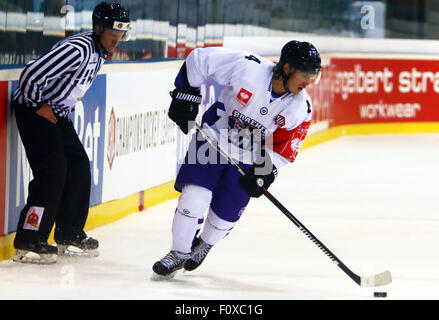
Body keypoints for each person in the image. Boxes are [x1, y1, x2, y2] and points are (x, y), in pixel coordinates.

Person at [152, 40, 321, 279]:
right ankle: (178, 253)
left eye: (313, 76)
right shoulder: (248, 67)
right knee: (194, 197)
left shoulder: (300, 108)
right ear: (287, 68)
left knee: (223, 219)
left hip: (249, 156)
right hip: (213, 139)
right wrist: (185, 95)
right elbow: (199, 59)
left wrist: (264, 171)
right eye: (305, 74)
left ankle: (204, 244)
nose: (308, 82)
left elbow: (284, 149)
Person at [11, 2, 131, 264]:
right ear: (98, 29)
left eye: (120, 35)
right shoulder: (77, 49)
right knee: (52, 171)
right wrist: (37, 105)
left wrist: (57, 108)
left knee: (77, 165)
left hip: (54, 113)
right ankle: (30, 237)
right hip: (34, 110)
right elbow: (32, 73)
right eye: (113, 35)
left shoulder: (99, 51)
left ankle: (68, 232)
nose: (116, 41)